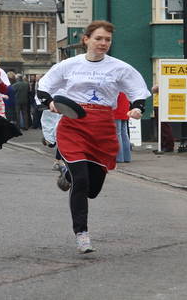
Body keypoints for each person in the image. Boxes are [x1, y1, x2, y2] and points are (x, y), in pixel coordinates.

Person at [37, 20, 151, 253]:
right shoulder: (69, 65)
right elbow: (44, 85)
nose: (103, 43)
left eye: (107, 40)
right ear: (86, 39)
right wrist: (49, 103)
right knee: (82, 181)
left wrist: (137, 108)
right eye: (98, 38)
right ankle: (82, 234)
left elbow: (137, 91)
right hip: (73, 125)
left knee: (93, 189)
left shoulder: (119, 67)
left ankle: (67, 173)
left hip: (102, 129)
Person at [114, 92, 132, 163]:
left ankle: (119, 157)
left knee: (117, 134)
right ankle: (127, 157)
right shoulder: (125, 86)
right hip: (125, 109)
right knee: (124, 133)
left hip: (116, 110)